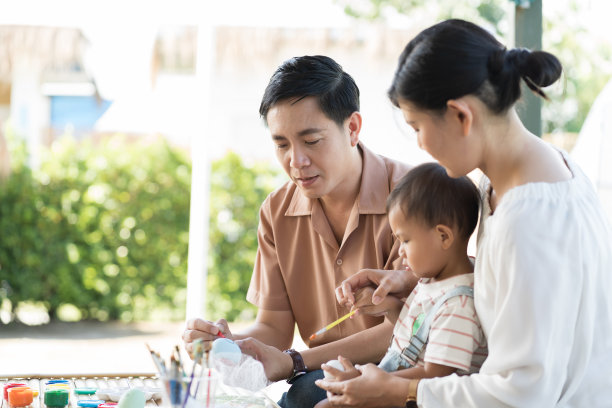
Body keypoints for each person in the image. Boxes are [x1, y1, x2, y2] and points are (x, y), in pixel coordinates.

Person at [316, 19, 612, 407]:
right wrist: (433, 286)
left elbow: (522, 392)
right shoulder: (527, 174)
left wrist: (398, 390)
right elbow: (519, 289)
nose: (420, 145)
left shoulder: (528, 217)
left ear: (461, 115)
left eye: (417, 126)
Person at [182, 55, 414, 408]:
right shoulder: (277, 212)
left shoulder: (413, 196)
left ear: (352, 128)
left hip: (402, 379)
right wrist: (229, 344)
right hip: (320, 377)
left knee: (306, 391)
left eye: (311, 140)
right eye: (281, 144)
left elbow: (408, 330)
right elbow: (274, 329)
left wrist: (297, 362)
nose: (296, 161)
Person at [314, 162, 487, 408]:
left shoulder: (459, 304)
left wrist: (370, 383)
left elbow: (436, 376)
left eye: (405, 241)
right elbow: (416, 339)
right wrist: (391, 308)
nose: (401, 253)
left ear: (443, 236)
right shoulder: (432, 281)